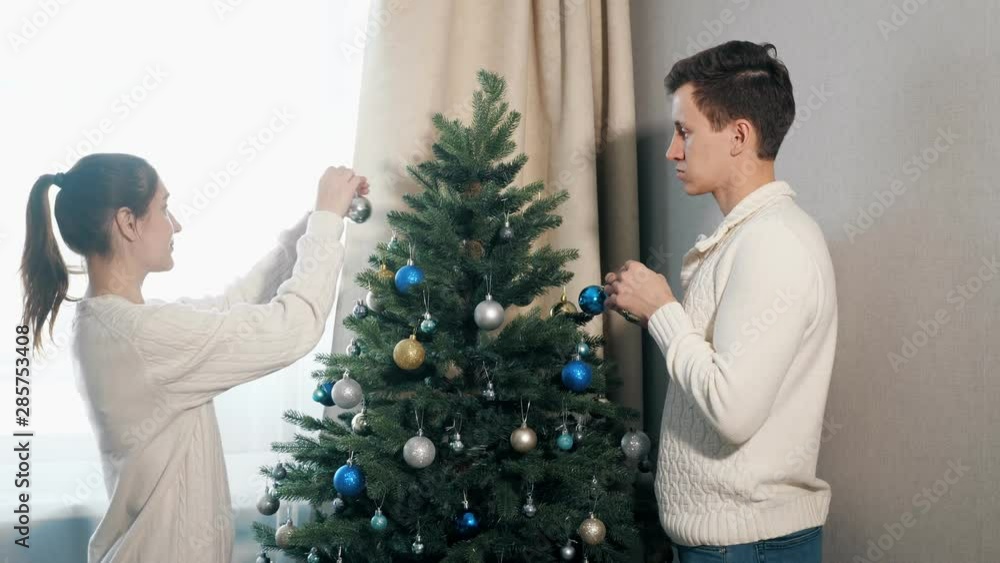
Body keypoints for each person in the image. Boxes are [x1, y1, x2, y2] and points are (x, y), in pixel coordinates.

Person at [18, 153, 369, 561]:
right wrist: (325, 222)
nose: (176, 224)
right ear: (128, 223)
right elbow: (292, 327)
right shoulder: (141, 336)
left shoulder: (114, 324)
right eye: (164, 209)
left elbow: (234, 304)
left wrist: (316, 221)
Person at [603, 41, 837, 562]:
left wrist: (664, 312)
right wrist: (653, 310)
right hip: (730, 544)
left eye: (684, 132)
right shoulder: (746, 237)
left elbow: (732, 411)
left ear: (738, 136)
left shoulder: (773, 242)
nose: (672, 150)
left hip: (746, 547)